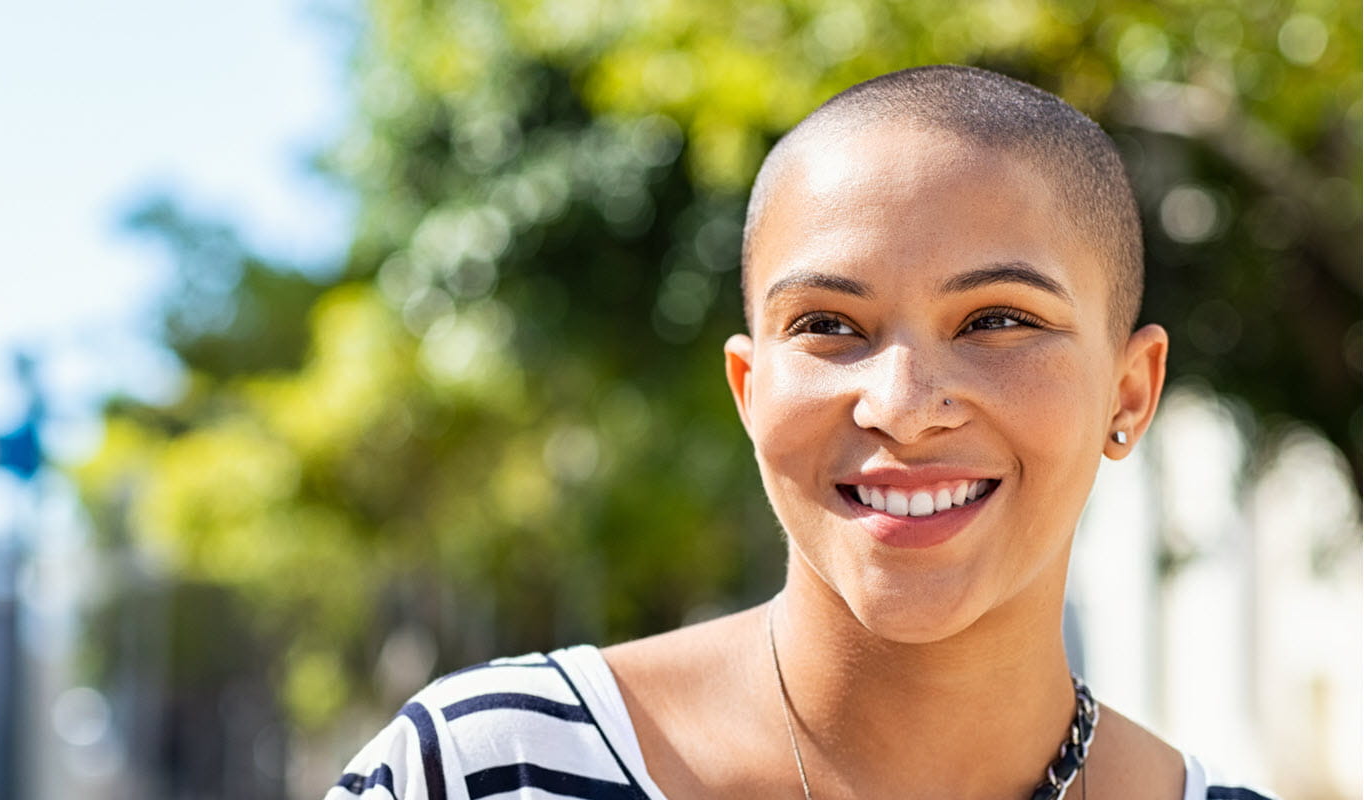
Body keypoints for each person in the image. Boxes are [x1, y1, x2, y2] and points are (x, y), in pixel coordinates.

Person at [325, 66, 1280, 800]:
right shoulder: (483, 768)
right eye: (828, 326)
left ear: (1130, 391)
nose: (902, 405)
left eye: (998, 320)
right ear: (749, 390)